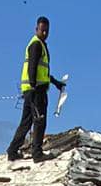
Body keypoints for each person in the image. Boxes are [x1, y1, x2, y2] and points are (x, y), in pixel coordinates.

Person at [7, 16, 65, 163]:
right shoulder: (36, 45)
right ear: (36, 29)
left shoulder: (40, 44)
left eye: (46, 30)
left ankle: (12, 151)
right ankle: (37, 154)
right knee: (40, 121)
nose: (45, 33)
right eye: (42, 30)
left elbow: (42, 72)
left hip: (30, 90)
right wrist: (33, 86)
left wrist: (55, 82)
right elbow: (32, 66)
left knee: (26, 122)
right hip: (35, 91)